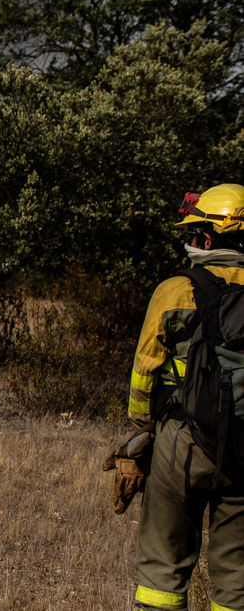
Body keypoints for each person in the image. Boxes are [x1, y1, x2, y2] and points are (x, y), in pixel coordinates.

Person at [112, 183, 244, 611]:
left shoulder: (175, 291)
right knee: (237, 571)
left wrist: (142, 434)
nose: (189, 241)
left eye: (193, 233)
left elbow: (143, 374)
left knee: (162, 566)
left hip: (181, 444)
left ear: (207, 238)